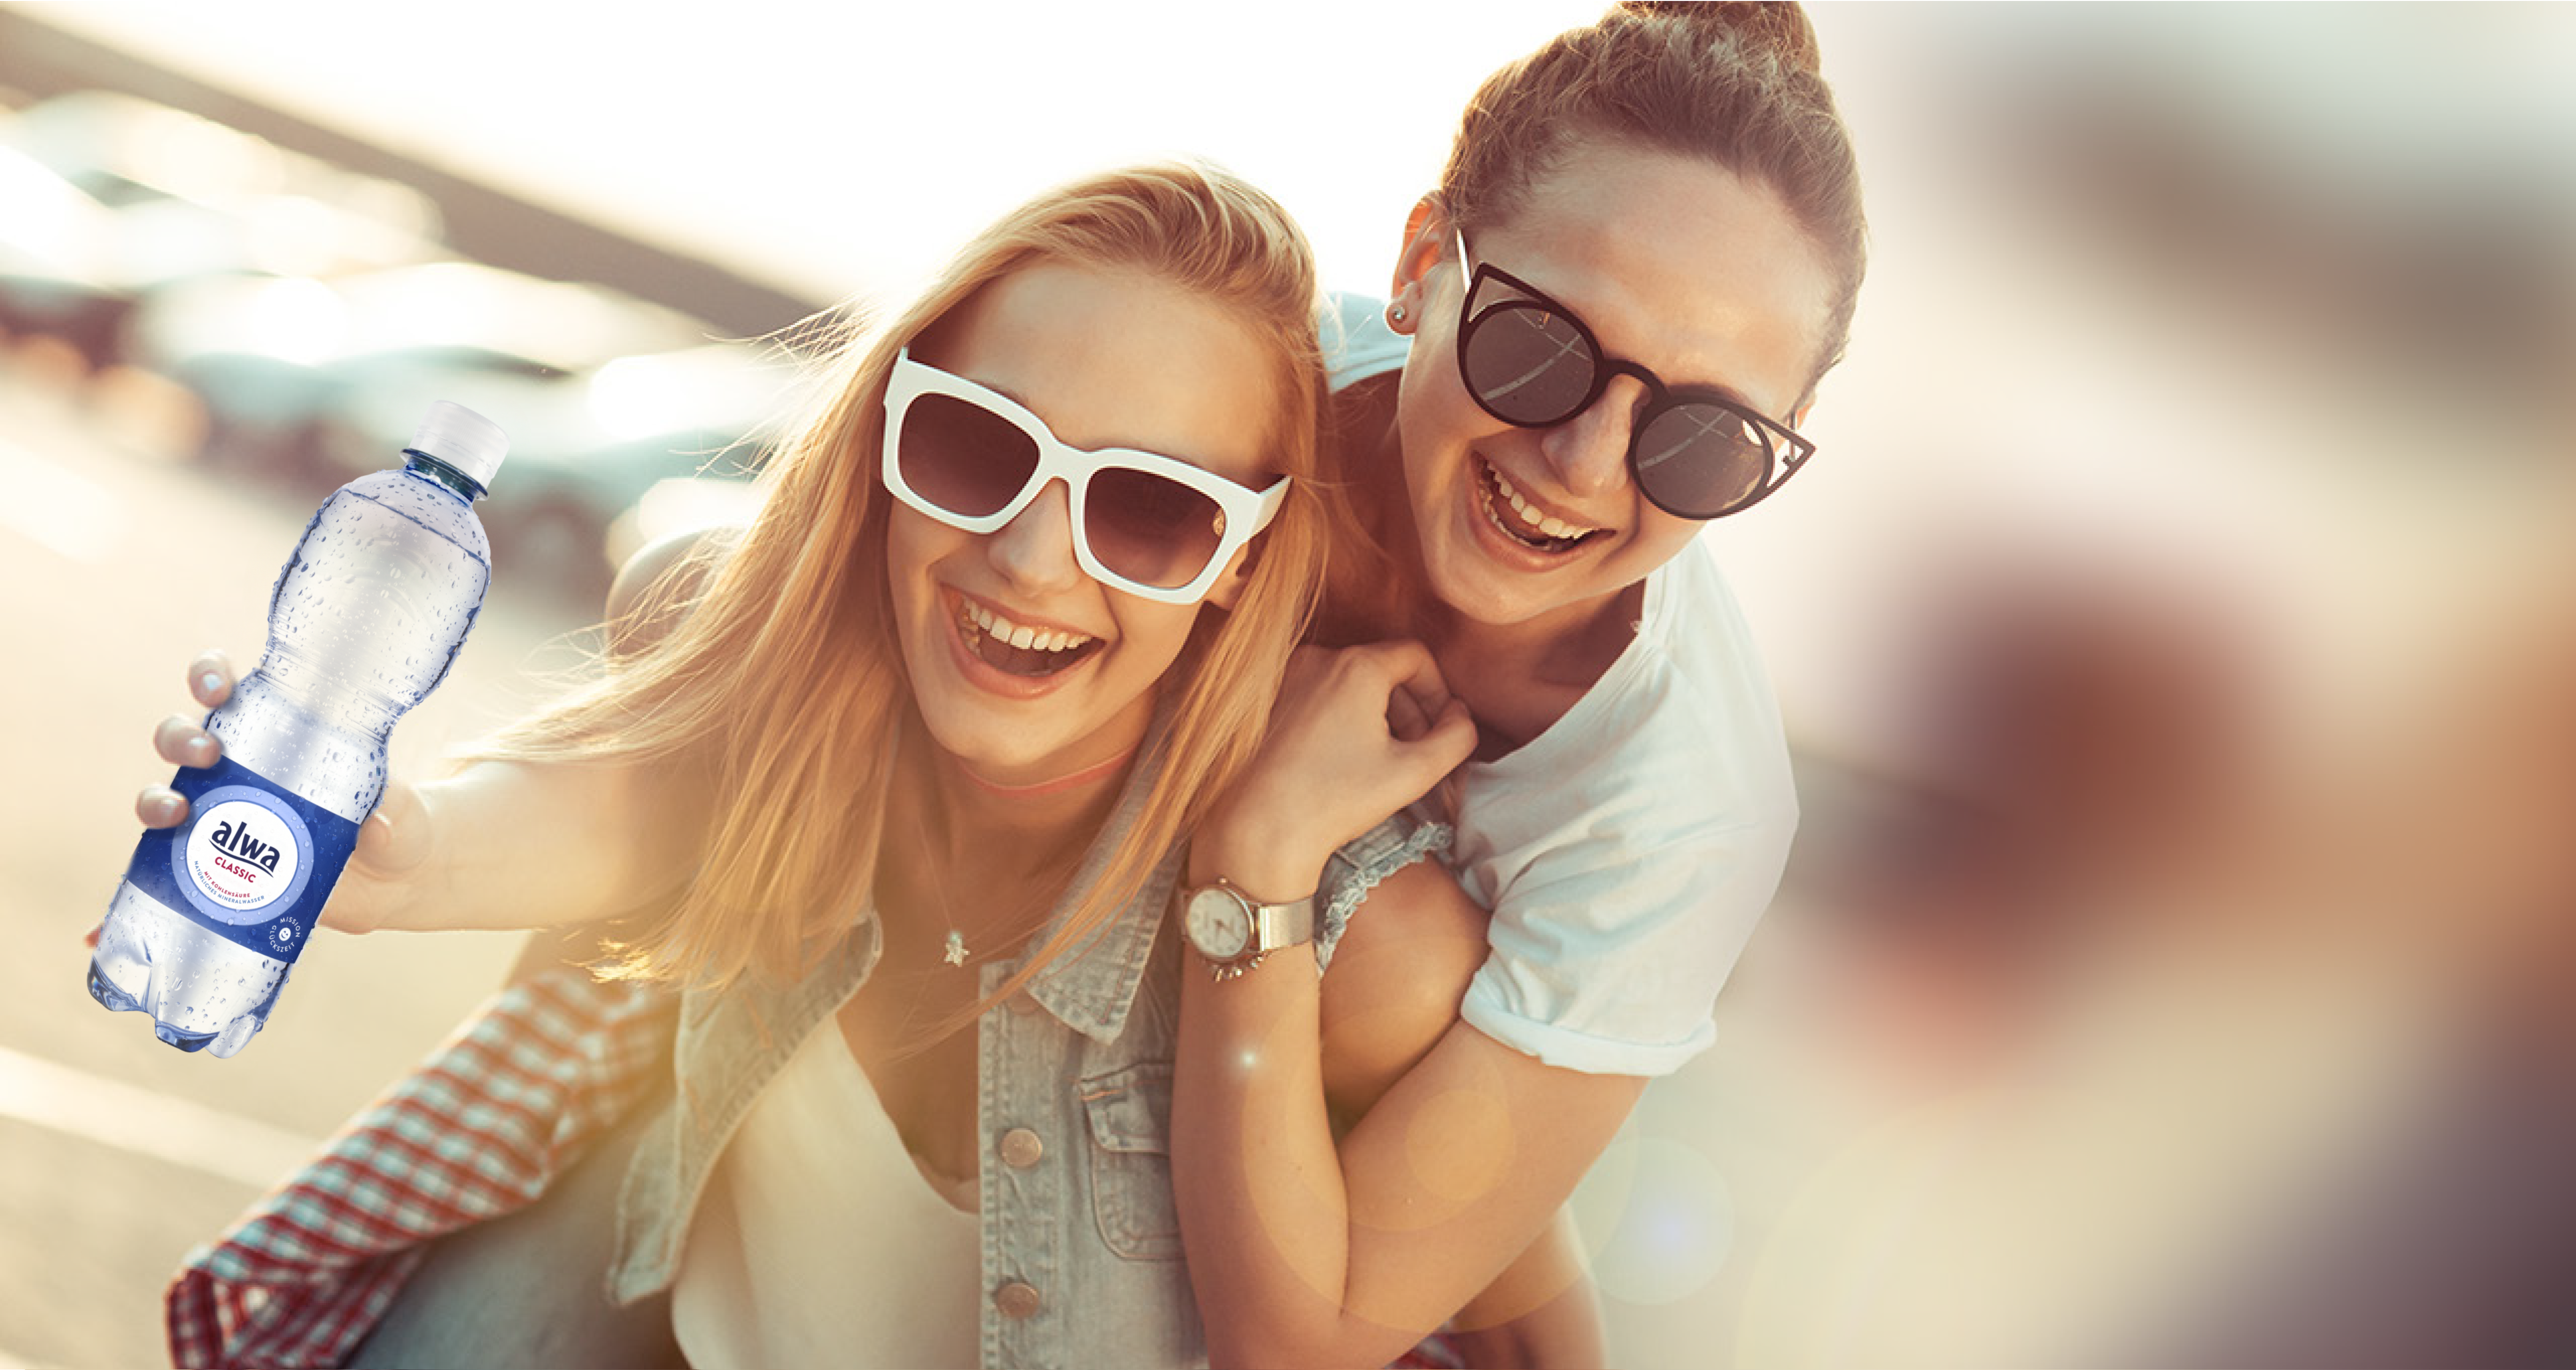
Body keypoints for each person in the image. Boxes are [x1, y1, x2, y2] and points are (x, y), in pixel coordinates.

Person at [147, 160, 1484, 1369]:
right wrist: (404, 851)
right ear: (888, 432)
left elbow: (1465, 1321)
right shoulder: (764, 649)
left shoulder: (1362, 945)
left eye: (1149, 507)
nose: (1031, 560)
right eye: (976, 444)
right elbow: (632, 800)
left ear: (1245, 554)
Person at [1166, 4, 1869, 1365]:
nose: (1586, 467)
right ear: (1422, 266)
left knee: (1396, 958)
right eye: (1541, 345)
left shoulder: (1685, 809)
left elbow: (1299, 1346)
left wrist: (1263, 852)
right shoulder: (1238, 395)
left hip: (1354, 1250)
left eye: (1705, 437)